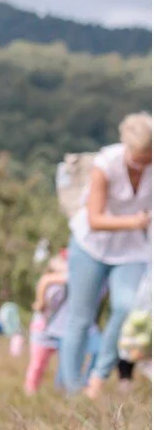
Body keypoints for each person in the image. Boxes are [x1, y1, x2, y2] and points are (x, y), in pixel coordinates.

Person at [56, 112, 152, 399]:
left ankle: (97, 378)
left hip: (131, 248)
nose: (143, 162)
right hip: (91, 245)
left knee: (127, 308)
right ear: (127, 147)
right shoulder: (105, 164)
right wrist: (134, 221)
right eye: (139, 156)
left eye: (148, 156)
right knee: (81, 317)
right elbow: (95, 219)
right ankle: (72, 390)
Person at [25, 250, 72, 394]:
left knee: (66, 365)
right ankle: (30, 391)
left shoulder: (69, 280)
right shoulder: (50, 279)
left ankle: (62, 391)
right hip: (43, 329)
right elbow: (45, 281)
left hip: (63, 329)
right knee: (38, 364)